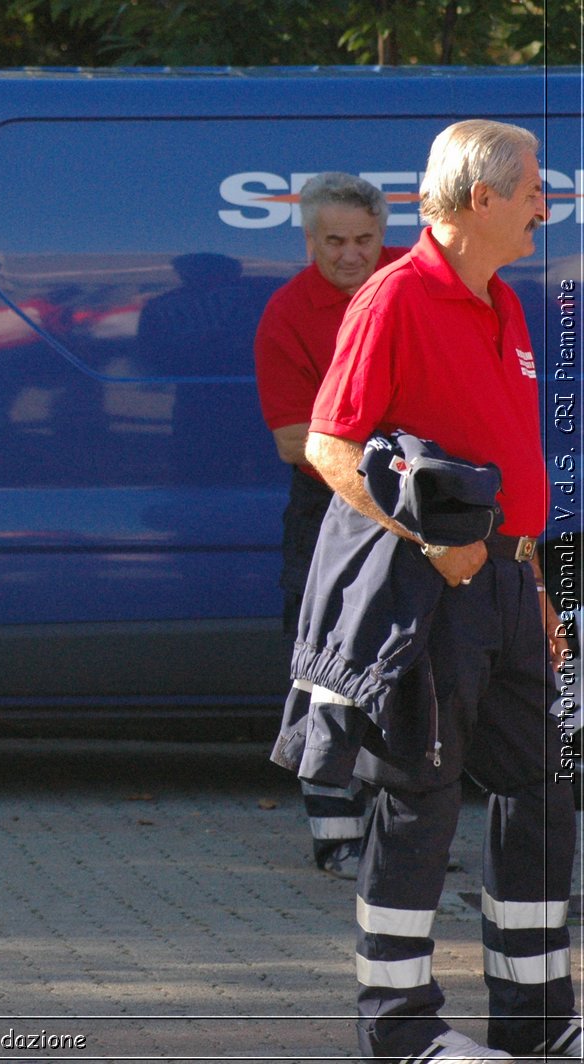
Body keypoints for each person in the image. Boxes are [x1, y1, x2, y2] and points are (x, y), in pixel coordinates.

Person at [305, 121, 578, 1062]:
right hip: (430, 594)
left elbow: (508, 460)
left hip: (508, 583)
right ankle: (401, 1030)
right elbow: (329, 445)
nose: (549, 202)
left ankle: (540, 1022)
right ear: (484, 199)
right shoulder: (395, 296)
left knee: (545, 785)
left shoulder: (503, 299)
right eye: (537, 186)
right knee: (417, 800)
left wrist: (534, 581)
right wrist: (430, 540)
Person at [253, 172, 404, 879]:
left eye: (364, 240)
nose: (351, 255)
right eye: (335, 241)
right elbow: (295, 441)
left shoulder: (412, 285)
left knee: (407, 667)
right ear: (310, 238)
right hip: (331, 508)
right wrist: (398, 444)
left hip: (412, 505)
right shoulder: (288, 312)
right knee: (326, 668)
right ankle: (336, 837)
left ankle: (392, 834)